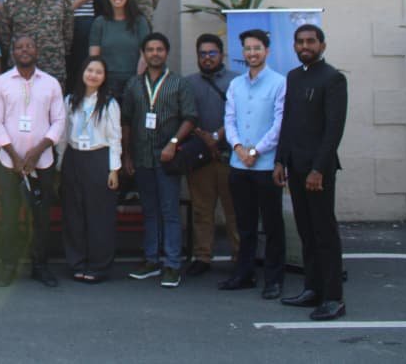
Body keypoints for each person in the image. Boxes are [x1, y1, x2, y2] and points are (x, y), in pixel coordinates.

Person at [275, 24, 347, 320]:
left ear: (322, 45)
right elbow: (288, 123)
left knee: (324, 232)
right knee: (305, 231)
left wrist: (318, 168)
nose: (305, 46)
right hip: (295, 165)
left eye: (311, 42)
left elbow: (334, 129)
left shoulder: (333, 79)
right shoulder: (293, 77)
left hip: (319, 170)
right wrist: (280, 161)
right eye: (300, 42)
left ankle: (333, 298)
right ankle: (312, 289)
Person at [0, 34, 66, 288]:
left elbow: (59, 121)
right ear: (13, 52)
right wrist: (15, 155)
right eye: (19, 47)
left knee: (41, 217)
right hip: (9, 162)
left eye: (29, 46)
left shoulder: (51, 83)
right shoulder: (0, 83)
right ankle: (8, 266)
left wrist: (35, 153)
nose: (24, 50)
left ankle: (40, 266)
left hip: (41, 163)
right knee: (10, 217)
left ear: (37, 50)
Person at [122, 33, 197, 288]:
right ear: (143, 53)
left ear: (167, 53)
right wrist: (127, 154)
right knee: (150, 211)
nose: (155, 53)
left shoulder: (179, 83)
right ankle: (151, 260)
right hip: (142, 157)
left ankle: (172, 264)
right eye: (150, 49)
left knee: (170, 212)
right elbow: (126, 122)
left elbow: (190, 117)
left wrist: (173, 144)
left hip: (168, 158)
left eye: (160, 49)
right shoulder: (133, 84)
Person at [220, 29, 287, 299]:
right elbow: (230, 120)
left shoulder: (280, 83)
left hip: (266, 165)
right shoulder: (236, 85)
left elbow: (279, 124)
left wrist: (256, 151)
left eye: (257, 48)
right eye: (247, 48)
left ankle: (274, 279)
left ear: (267, 51)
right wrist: (238, 148)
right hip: (239, 165)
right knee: (244, 224)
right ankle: (244, 273)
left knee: (272, 225)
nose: (252, 53)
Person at [57, 56, 122, 283]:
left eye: (98, 72)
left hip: (98, 158)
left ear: (104, 78)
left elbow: (115, 138)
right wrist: (59, 164)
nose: (93, 75)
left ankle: (98, 266)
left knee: (99, 216)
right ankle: (77, 262)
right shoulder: (70, 100)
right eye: (89, 70)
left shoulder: (109, 104)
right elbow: (63, 136)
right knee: (74, 214)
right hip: (74, 158)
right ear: (82, 73)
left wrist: (114, 169)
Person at [185, 33, 240, 277]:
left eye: (212, 53)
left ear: (222, 55)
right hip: (200, 157)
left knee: (235, 211)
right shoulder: (189, 83)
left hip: (231, 157)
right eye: (202, 54)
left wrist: (217, 137)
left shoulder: (236, 82)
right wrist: (204, 138)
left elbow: (241, 116)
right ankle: (202, 256)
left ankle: (240, 256)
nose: (207, 58)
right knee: (201, 210)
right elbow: (185, 115)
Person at [0, 0, 73, 84]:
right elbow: (5, 37)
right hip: (21, 68)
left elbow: (67, 36)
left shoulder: (61, 1)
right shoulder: (12, 2)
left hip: (53, 67)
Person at [88, 0, 152, 98]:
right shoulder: (100, 22)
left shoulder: (140, 21)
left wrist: (136, 81)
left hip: (134, 79)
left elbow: (145, 54)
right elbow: (94, 58)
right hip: (106, 81)